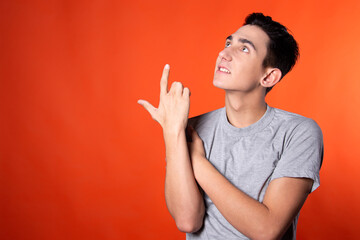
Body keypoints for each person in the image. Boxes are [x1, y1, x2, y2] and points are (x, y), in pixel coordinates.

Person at [138, 12, 323, 240]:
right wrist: (172, 132)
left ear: (269, 77)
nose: (224, 54)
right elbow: (187, 220)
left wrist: (196, 160)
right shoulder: (189, 128)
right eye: (228, 43)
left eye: (244, 49)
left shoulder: (298, 132)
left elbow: (266, 229)